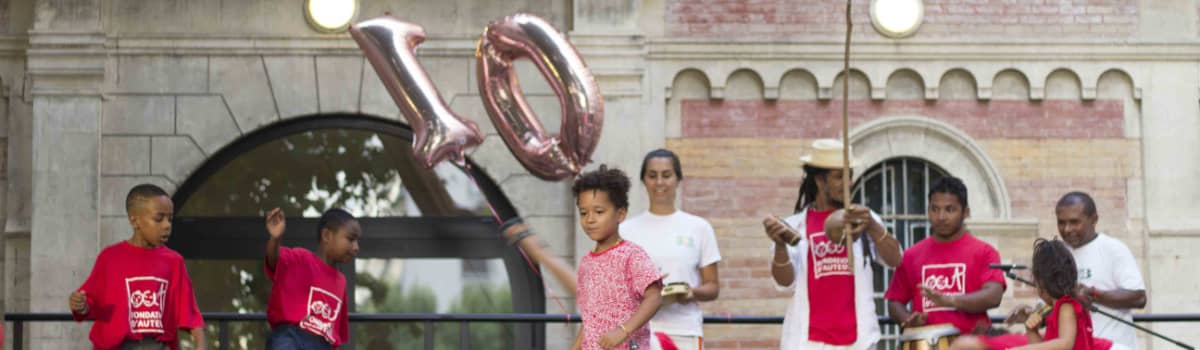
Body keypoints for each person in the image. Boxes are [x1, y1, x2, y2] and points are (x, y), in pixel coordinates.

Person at [762, 139, 903, 349]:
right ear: (820, 180)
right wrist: (780, 246)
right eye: (839, 177)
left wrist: (872, 225)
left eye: (850, 176)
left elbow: (896, 260)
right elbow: (784, 283)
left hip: (859, 341)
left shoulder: (864, 218)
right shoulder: (795, 226)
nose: (848, 183)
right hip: (807, 341)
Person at [69, 184, 206, 350]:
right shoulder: (110, 258)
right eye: (158, 218)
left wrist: (200, 343)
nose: (167, 225)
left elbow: (189, 313)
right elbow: (92, 301)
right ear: (135, 220)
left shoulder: (174, 262)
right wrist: (81, 304)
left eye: (169, 219)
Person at [621, 149, 721, 350]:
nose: (659, 182)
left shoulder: (699, 227)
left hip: (684, 331)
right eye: (652, 176)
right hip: (637, 333)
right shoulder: (624, 230)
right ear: (644, 181)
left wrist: (690, 293)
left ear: (678, 179)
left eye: (666, 175)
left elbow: (712, 287)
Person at [885, 176, 1006, 334]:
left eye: (950, 209)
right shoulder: (911, 255)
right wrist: (908, 320)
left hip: (973, 344)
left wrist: (949, 300)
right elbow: (894, 301)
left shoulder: (984, 252)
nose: (941, 217)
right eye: (935, 209)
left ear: (966, 212)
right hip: (927, 343)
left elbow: (993, 296)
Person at [953, 239, 1114, 350]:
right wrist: (1032, 331)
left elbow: (1065, 344)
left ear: (1041, 283)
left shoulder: (1066, 306)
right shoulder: (1056, 309)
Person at [572, 165, 664, 350]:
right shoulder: (586, 263)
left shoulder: (632, 255)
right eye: (583, 213)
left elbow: (654, 298)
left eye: (599, 212)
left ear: (620, 214)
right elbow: (589, 319)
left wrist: (623, 330)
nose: (590, 219)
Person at [1055, 192, 1145, 350]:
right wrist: (1034, 314)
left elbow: (1139, 298)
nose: (1067, 229)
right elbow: (1050, 305)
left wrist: (1093, 294)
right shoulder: (1057, 256)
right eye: (1061, 223)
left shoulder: (1113, 248)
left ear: (1094, 219)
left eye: (1074, 222)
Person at [263, 208, 360, 349]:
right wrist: (275, 238)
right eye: (350, 239)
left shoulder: (341, 281)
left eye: (357, 241)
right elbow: (274, 261)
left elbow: (335, 334)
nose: (356, 247)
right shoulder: (302, 258)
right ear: (327, 235)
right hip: (291, 337)